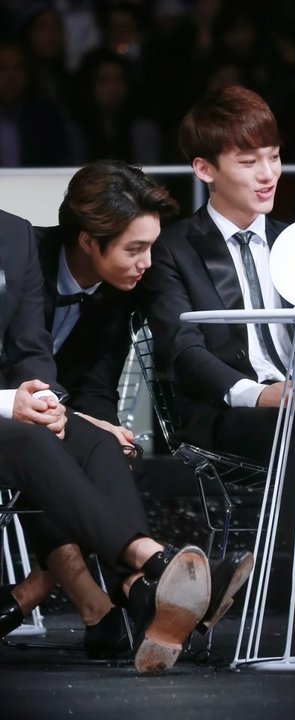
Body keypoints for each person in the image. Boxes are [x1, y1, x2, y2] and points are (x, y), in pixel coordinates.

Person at [0, 174, 253, 667]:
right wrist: (60, 410)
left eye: (151, 247)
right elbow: (19, 362)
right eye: (135, 249)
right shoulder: (29, 251)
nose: (148, 263)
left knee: (102, 446)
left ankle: (135, 592)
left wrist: (94, 421)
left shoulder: (121, 292)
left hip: (39, 408)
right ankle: (145, 575)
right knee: (46, 442)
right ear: (88, 241)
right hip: (16, 414)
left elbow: (90, 380)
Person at [140, 84, 295, 661]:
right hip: (227, 414)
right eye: (249, 160)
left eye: (274, 156)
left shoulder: (294, 242)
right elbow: (182, 350)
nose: (268, 174)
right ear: (204, 169)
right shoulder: (175, 248)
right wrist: (261, 395)